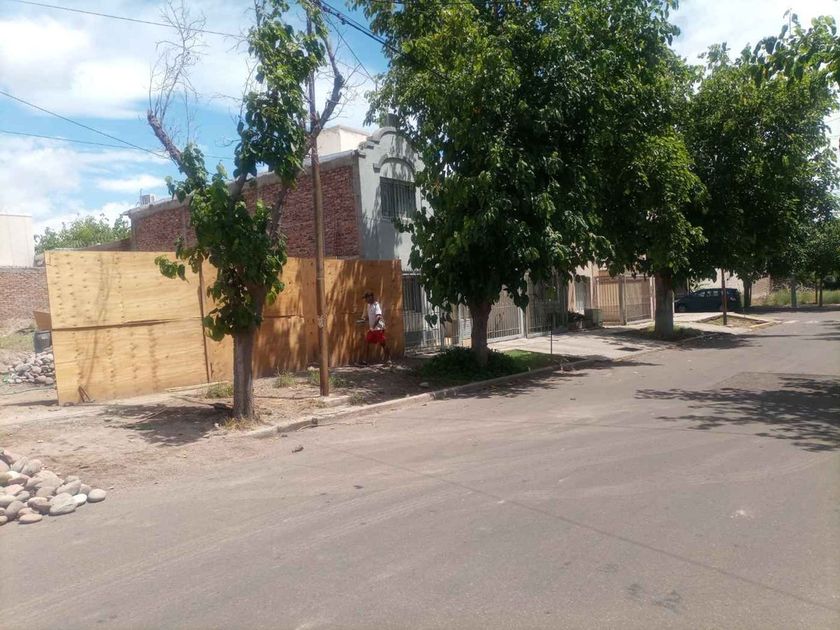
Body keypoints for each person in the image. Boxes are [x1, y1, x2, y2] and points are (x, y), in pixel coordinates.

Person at [358, 291, 391, 365]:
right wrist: (365, 319)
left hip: (379, 328)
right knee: (367, 342)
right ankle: (365, 360)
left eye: (366, 298)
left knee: (383, 344)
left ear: (370, 297)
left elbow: (378, 317)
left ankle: (388, 359)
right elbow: (371, 316)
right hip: (373, 329)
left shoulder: (376, 305)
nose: (365, 300)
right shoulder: (368, 305)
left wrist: (372, 327)